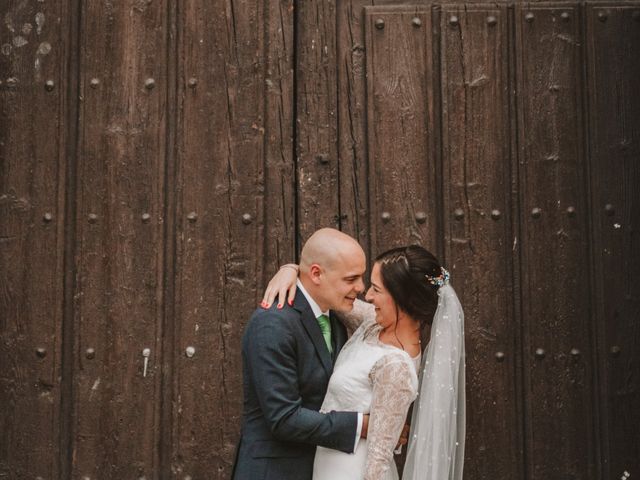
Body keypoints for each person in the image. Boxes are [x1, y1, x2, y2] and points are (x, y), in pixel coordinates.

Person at [262, 244, 466, 480]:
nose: (367, 295)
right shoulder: (372, 322)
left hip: (351, 471)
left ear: (403, 298)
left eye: (377, 289)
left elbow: (378, 461)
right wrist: (292, 270)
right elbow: (331, 293)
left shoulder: (396, 366)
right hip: (328, 465)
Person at [232, 228, 372, 480]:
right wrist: (362, 425)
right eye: (351, 279)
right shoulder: (273, 323)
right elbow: (284, 418)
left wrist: (291, 267)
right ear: (316, 274)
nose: (361, 288)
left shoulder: (337, 315)